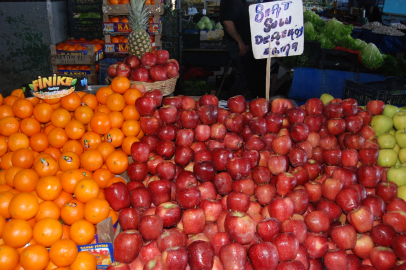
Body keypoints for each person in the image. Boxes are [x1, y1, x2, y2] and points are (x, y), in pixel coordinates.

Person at [219, 0, 266, 99]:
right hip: (237, 44)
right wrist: (240, 42)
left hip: (244, 43)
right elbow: (227, 22)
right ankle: (231, 100)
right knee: (246, 75)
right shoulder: (234, 2)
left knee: (250, 74)